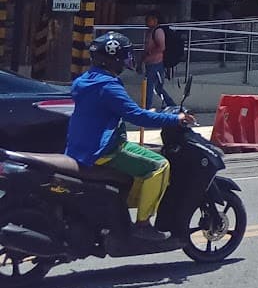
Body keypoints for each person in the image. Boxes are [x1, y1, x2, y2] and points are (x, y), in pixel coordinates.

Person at [69, 32, 194, 243]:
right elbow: (137, 116)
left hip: (80, 148)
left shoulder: (83, 81)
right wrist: (175, 120)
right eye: (124, 56)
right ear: (113, 59)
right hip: (106, 150)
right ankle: (143, 225)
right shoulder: (109, 86)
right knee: (159, 166)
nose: (126, 61)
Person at [141, 11, 177, 111]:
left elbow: (161, 47)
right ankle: (172, 105)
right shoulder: (150, 31)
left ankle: (146, 107)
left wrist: (149, 53)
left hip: (156, 63)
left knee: (150, 87)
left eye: (149, 20)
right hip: (150, 63)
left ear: (155, 20)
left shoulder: (158, 31)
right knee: (157, 87)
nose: (146, 22)